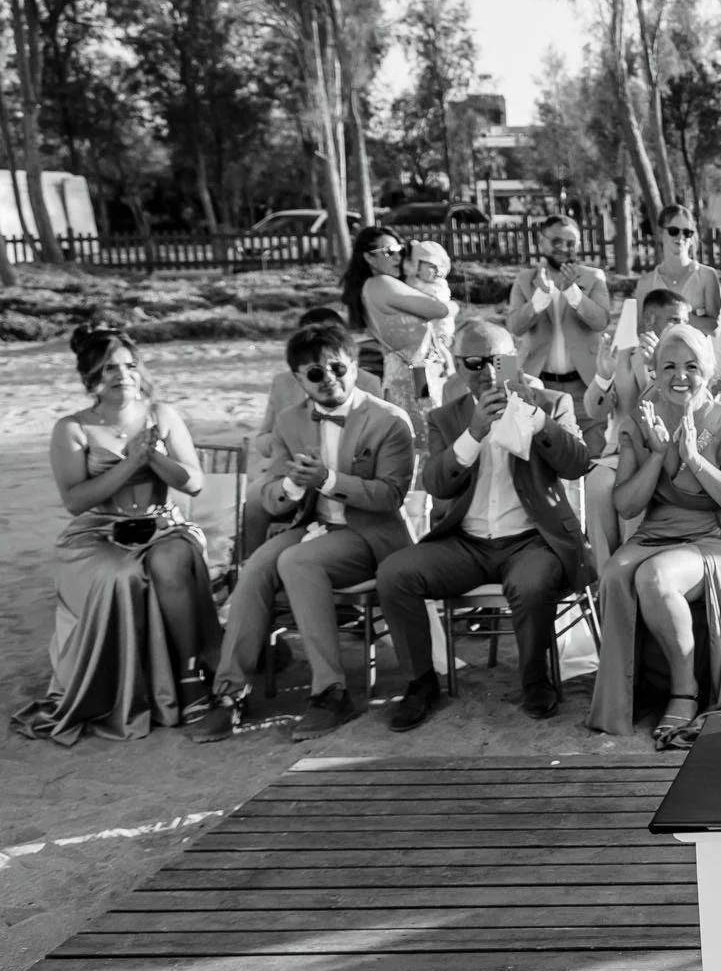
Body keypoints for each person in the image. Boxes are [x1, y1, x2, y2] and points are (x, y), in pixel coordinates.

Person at [191, 323, 415, 743]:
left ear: (353, 366)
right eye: (315, 373)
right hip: (313, 525)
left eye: (338, 368)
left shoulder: (388, 420)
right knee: (255, 567)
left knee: (297, 561)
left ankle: (330, 692)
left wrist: (329, 479)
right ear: (298, 380)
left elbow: (390, 496)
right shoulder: (290, 422)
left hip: (370, 535)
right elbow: (272, 498)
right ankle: (229, 694)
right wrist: (293, 485)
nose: (329, 379)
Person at [375, 320, 595, 731]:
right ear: (458, 365)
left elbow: (578, 464)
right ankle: (420, 682)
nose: (489, 373)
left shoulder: (551, 401)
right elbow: (437, 483)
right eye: (475, 363)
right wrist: (473, 434)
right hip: (466, 543)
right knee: (395, 573)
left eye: (498, 360)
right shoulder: (445, 417)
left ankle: (536, 679)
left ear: (514, 359)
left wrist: (537, 419)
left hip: (532, 540)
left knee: (531, 583)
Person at [14, 325, 221, 743]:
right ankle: (127, 690)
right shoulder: (71, 428)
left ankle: (189, 675)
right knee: (120, 576)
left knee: (171, 561)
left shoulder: (162, 415)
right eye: (109, 368)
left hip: (163, 522)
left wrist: (155, 459)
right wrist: (129, 464)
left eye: (128, 365)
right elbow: (75, 501)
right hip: (99, 530)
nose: (122, 374)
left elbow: (194, 483)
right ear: (91, 376)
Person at [587, 326, 721, 743]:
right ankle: (624, 696)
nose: (680, 376)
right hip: (656, 532)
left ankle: (684, 692)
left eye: (691, 366)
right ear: (653, 371)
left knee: (654, 578)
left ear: (707, 370)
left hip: (717, 536)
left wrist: (693, 459)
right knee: (615, 572)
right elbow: (627, 505)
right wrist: (656, 454)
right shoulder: (643, 417)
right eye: (668, 366)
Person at [246, 307, 383, 556]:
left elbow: (374, 439)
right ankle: (245, 562)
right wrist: (285, 442)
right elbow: (262, 439)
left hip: (345, 471)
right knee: (255, 501)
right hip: (289, 467)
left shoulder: (367, 383)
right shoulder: (283, 382)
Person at [580, 288, 684, 570]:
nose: (682, 328)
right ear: (650, 321)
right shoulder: (623, 354)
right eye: (675, 320)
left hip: (663, 454)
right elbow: (594, 411)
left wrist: (654, 369)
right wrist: (602, 377)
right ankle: (605, 576)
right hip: (617, 452)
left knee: (636, 499)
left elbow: (671, 410)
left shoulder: (687, 361)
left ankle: (633, 576)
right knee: (597, 483)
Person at [506, 214, 612, 448]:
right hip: (540, 387)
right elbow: (515, 327)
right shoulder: (525, 280)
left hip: (585, 388)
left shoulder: (593, 278)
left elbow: (601, 321)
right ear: (541, 242)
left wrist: (573, 292)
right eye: (556, 242)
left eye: (571, 243)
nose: (564, 248)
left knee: (591, 458)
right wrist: (540, 297)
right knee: (543, 457)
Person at [342, 226, 453, 434]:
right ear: (368, 257)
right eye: (388, 252)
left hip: (408, 374)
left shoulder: (371, 286)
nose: (397, 257)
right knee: (426, 441)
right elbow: (440, 309)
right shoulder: (381, 283)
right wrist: (453, 307)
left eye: (400, 251)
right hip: (414, 378)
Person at [634, 202, 721, 356]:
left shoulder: (706, 275)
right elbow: (641, 330)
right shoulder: (646, 282)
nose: (681, 237)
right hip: (661, 362)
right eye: (673, 231)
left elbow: (715, 327)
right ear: (660, 233)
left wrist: (675, 317)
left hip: (698, 360)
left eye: (687, 232)